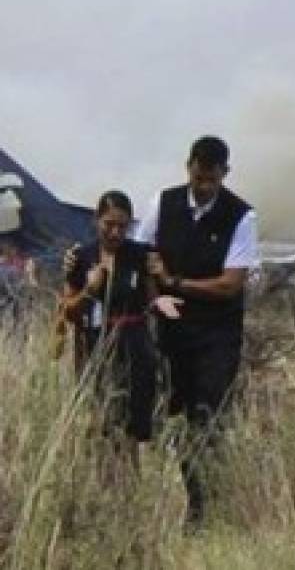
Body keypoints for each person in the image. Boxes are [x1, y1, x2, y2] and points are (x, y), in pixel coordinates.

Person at [136, 136, 259, 525]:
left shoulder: (241, 216)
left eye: (212, 179)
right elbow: (144, 255)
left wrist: (176, 284)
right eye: (198, 176)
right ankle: (164, 501)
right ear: (188, 167)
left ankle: (204, 509)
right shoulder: (164, 202)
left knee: (206, 418)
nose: (203, 186)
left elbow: (230, 283)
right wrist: (157, 297)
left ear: (225, 174)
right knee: (163, 415)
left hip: (215, 335)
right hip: (171, 330)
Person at [58, 191, 182, 460]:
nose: (115, 232)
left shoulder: (140, 255)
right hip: (94, 347)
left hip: (135, 347)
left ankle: (129, 487)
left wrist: (161, 301)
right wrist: (90, 290)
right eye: (109, 225)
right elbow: (68, 310)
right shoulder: (80, 257)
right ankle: (103, 487)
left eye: (122, 226)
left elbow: (152, 299)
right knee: (99, 422)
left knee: (131, 428)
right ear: (96, 220)